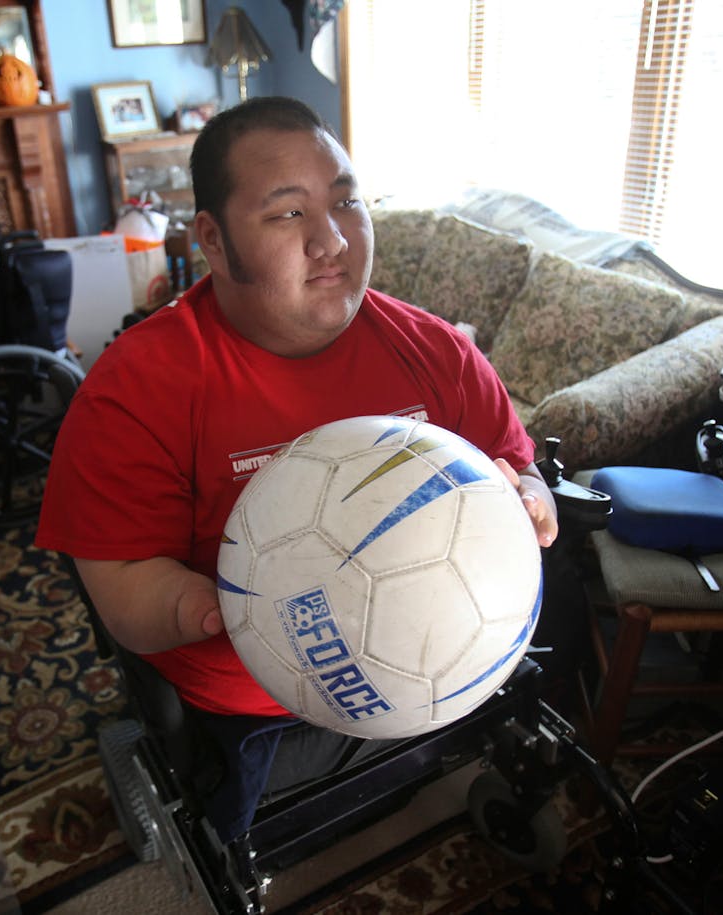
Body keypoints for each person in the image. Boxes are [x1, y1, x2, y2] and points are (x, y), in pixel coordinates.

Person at [36, 96, 558, 840]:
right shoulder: (135, 390)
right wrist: (221, 608)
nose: (333, 238)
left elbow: (514, 464)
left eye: (347, 201)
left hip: (449, 659)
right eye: (288, 214)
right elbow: (119, 584)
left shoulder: (437, 350)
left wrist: (530, 497)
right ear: (213, 240)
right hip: (257, 700)